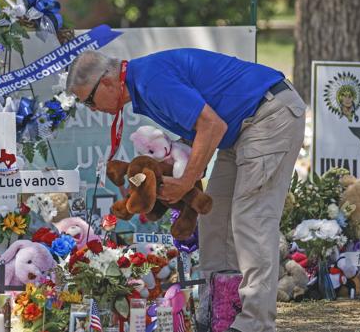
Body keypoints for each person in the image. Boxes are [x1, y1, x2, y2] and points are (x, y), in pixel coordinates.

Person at [66, 49, 305, 332]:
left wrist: (185, 181)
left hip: (269, 115)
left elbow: (211, 125)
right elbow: (202, 128)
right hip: (239, 128)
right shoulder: (142, 84)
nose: (93, 109)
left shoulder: (149, 81)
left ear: (106, 82)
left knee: (251, 219)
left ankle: (256, 323)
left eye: (90, 101)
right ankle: (219, 311)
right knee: (214, 218)